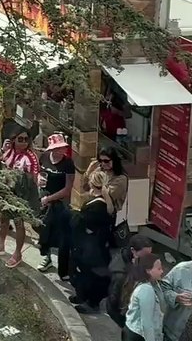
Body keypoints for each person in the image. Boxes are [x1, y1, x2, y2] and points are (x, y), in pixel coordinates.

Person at [0, 124, 41, 268]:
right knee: (3, 219)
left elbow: (34, 179)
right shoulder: (8, 151)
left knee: (19, 224)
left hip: (20, 195)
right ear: (14, 139)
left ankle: (17, 253)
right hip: (6, 191)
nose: (23, 142)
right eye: (20, 139)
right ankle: (0, 244)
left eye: (26, 139)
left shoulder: (30, 157)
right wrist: (2, 150)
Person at [69, 170, 115, 314]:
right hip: (94, 244)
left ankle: (92, 302)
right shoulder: (104, 202)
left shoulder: (97, 206)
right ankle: (83, 296)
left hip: (92, 247)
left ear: (92, 183)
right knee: (85, 272)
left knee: (91, 273)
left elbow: (85, 223)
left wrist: (76, 215)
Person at [37, 133, 75, 275]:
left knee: (59, 232)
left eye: (63, 148)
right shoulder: (44, 157)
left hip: (59, 201)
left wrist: (50, 198)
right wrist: (39, 179)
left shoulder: (68, 163)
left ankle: (62, 264)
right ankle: (46, 256)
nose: (62, 151)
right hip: (43, 197)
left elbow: (67, 189)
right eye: (58, 148)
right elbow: (39, 173)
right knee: (42, 227)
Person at [107, 234, 156, 328]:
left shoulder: (133, 258)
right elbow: (114, 301)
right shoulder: (121, 275)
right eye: (145, 254)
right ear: (133, 251)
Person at [123, 253, 165, 341]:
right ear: (148, 270)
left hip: (132, 330)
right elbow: (147, 323)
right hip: (139, 335)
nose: (162, 271)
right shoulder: (146, 290)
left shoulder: (144, 283)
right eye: (159, 268)